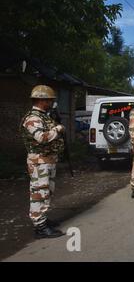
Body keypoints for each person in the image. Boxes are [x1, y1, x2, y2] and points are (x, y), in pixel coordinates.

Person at [20, 85, 65, 239]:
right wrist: (58, 129)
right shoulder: (33, 118)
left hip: (47, 161)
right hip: (39, 162)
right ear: (41, 100)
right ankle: (40, 227)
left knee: (46, 192)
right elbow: (42, 138)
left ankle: (43, 219)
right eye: (49, 100)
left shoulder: (44, 116)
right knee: (39, 194)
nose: (51, 102)